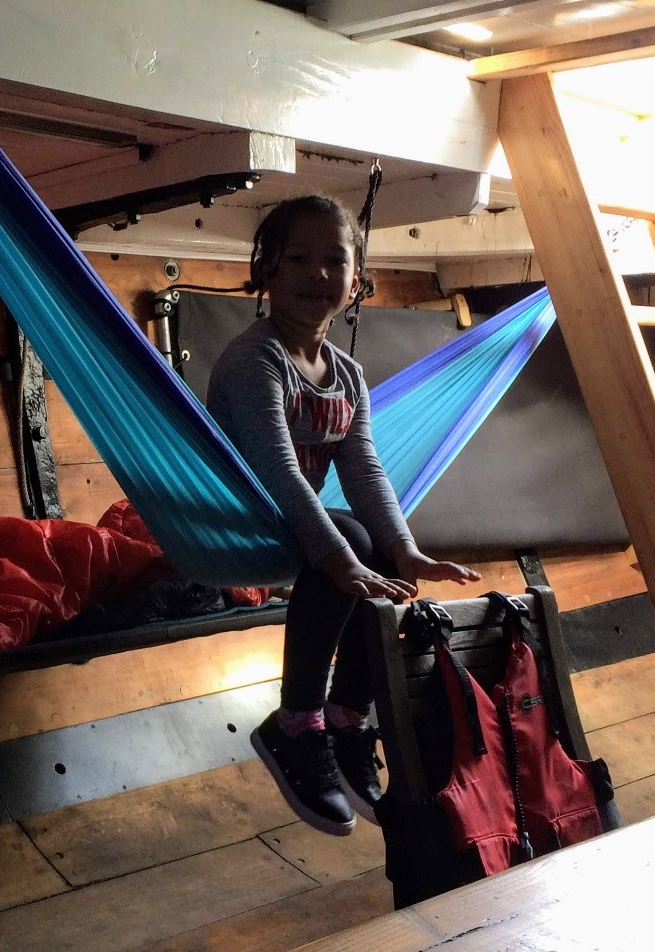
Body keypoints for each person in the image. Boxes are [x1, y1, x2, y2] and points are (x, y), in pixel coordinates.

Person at [206, 194, 480, 836]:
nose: (316, 274)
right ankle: (296, 724)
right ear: (267, 270)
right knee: (355, 540)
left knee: (383, 552)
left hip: (295, 528)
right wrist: (339, 559)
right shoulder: (256, 360)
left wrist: (407, 551)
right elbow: (277, 473)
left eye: (335, 261)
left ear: (357, 281)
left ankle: (348, 717)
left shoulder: (348, 377)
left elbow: (364, 473)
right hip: (233, 524)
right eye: (298, 258)